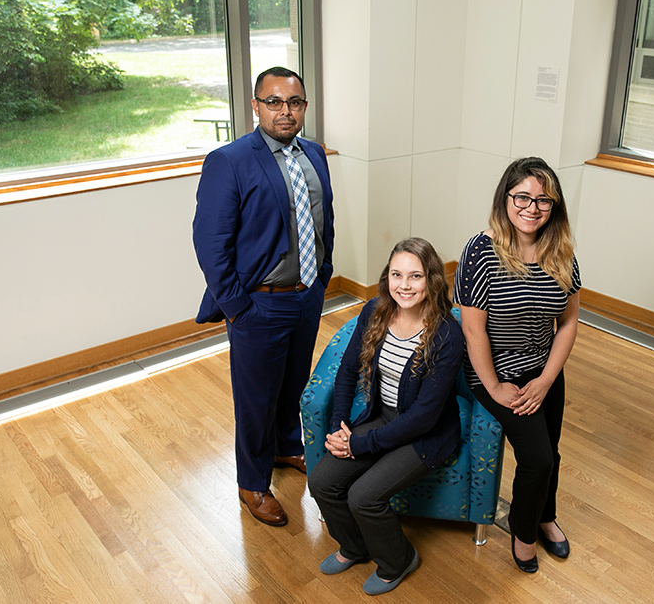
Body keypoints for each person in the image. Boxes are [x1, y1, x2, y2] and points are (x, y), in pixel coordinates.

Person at [192, 66, 334, 527]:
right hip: (260, 303)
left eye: (294, 102)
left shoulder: (314, 153)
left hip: (307, 295)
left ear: (304, 107)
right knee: (255, 397)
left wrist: (322, 278)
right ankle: (252, 482)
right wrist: (238, 308)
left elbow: (322, 220)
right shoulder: (229, 161)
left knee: (294, 383)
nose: (285, 111)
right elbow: (210, 243)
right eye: (273, 101)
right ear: (255, 106)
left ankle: (287, 446)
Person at [308, 237, 463, 596]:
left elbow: (424, 417)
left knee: (363, 497)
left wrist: (359, 444)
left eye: (416, 276)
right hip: (382, 418)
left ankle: (398, 559)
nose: (404, 286)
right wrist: (339, 428)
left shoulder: (446, 335)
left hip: (428, 435)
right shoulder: (375, 310)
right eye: (397, 275)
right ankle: (355, 546)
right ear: (387, 277)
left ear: (432, 281)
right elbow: (347, 373)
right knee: (322, 483)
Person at [454, 157, 581, 573]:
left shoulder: (561, 252)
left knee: (553, 453)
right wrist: (493, 387)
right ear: (505, 198)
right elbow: (474, 332)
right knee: (538, 459)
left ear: (554, 207)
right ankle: (523, 535)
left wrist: (546, 379)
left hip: (542, 369)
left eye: (543, 201)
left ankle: (546, 516)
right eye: (522, 197)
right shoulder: (480, 251)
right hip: (493, 370)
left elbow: (568, 322)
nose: (532, 208)